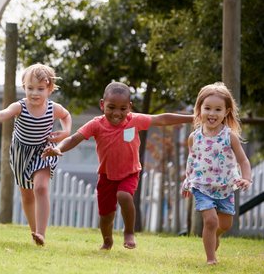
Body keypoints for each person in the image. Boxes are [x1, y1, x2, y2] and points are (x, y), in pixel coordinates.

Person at [42, 81, 192, 250]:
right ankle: (107, 240)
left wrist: (193, 118)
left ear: (129, 107)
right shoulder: (96, 124)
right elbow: (74, 138)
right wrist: (58, 148)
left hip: (130, 172)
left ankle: (129, 232)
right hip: (106, 175)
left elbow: (162, 119)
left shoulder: (134, 120)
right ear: (102, 104)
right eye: (111, 107)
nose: (116, 113)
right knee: (106, 216)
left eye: (122, 109)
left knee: (124, 196)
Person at [0, 63, 72, 246]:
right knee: (27, 195)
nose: (35, 93)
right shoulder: (20, 106)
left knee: (41, 188)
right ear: (24, 87)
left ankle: (41, 233)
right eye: (30, 88)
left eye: (40, 89)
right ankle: (34, 231)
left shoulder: (53, 108)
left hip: (43, 151)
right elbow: (3, 113)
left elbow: (66, 116)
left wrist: (65, 132)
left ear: (49, 89)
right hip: (20, 153)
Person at [181, 82, 252, 265]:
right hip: (202, 185)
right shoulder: (194, 137)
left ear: (226, 112)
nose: (212, 114)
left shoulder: (230, 136)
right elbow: (192, 161)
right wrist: (187, 182)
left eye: (218, 109)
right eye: (208, 108)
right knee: (211, 221)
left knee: (225, 224)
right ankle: (211, 259)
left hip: (225, 186)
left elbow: (243, 160)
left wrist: (246, 178)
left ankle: (213, 235)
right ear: (200, 109)